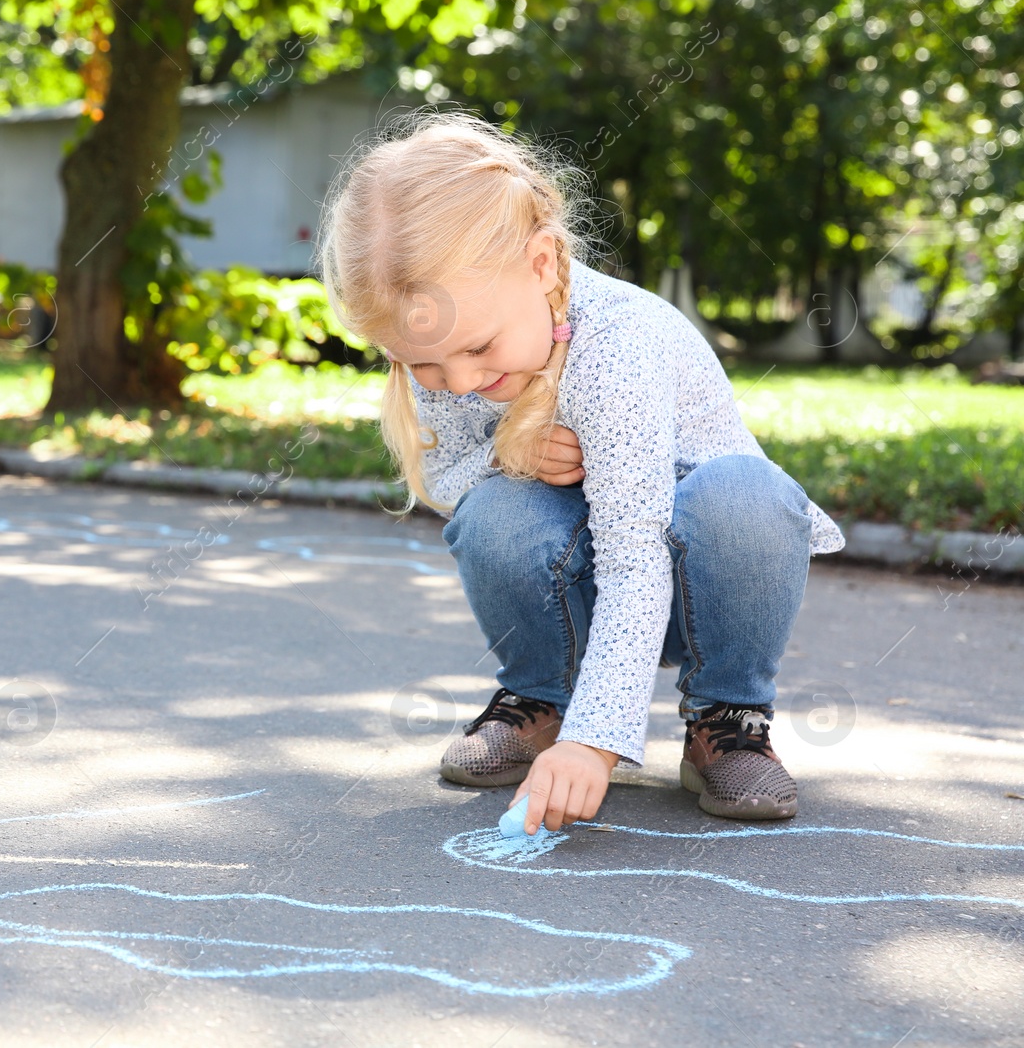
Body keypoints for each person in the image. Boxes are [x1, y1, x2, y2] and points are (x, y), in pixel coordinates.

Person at [315, 110, 844, 835]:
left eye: (478, 349)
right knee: (494, 507)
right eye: (424, 365)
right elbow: (444, 479)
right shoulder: (443, 335)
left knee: (747, 495)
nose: (459, 380)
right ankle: (541, 699)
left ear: (541, 265)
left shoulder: (617, 348)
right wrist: (506, 451)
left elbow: (637, 559)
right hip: (585, 595)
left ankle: (728, 714)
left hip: (701, 585)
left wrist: (595, 748)